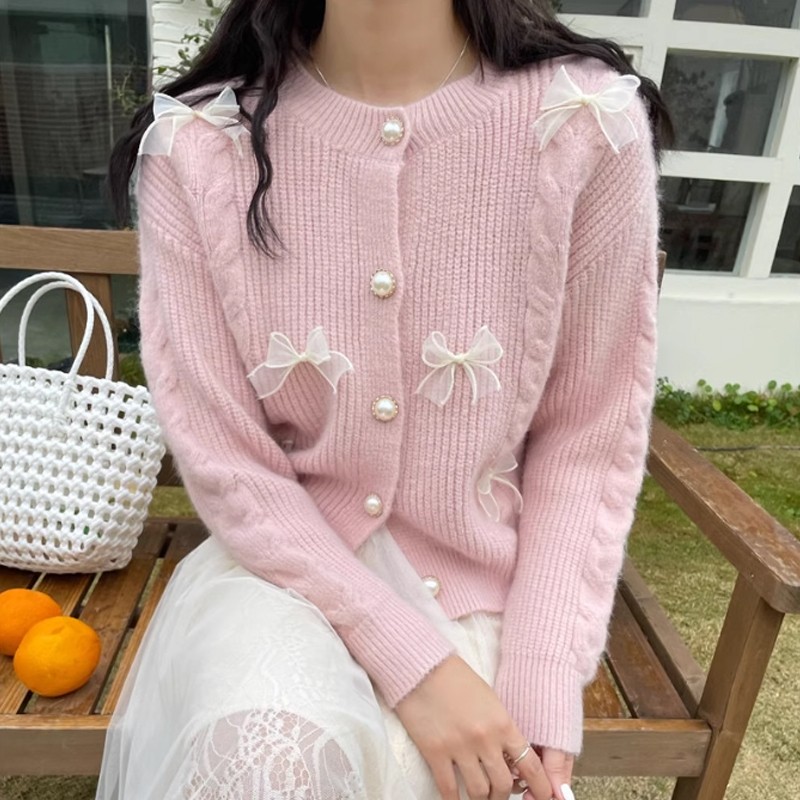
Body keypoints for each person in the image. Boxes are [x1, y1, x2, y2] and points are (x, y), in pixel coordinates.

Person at [97, 1, 673, 798]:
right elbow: (227, 459)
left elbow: (588, 434)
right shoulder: (199, 145)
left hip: (490, 590)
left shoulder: (585, 123)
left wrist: (544, 676)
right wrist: (414, 666)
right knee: (265, 764)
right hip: (284, 573)